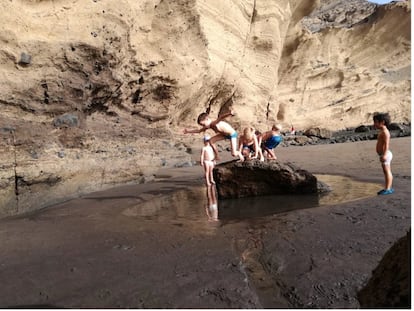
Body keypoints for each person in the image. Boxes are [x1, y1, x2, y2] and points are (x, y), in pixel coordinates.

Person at [373, 112, 394, 195]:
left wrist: (384, 155)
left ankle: (388, 189)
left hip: (385, 154)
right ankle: (389, 187)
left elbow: (386, 144)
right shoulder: (382, 131)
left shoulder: (385, 132)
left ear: (382, 122)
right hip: (384, 154)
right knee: (387, 171)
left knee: (387, 171)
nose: (374, 124)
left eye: (376, 122)